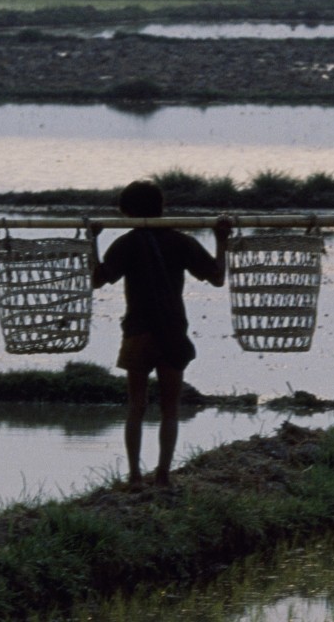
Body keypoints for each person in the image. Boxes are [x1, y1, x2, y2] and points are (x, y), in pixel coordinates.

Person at [86, 180, 231, 488]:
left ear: (127, 212)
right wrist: (221, 240)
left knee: (136, 406)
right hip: (172, 332)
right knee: (170, 408)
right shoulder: (180, 241)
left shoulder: (127, 243)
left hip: (139, 331)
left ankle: (135, 476)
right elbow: (217, 277)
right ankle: (163, 474)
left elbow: (97, 280)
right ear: (161, 208)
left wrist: (91, 241)